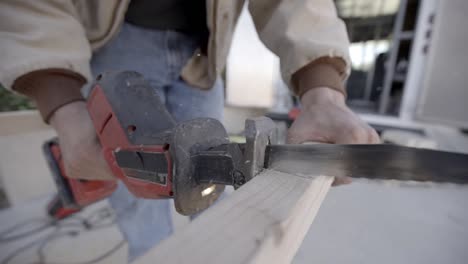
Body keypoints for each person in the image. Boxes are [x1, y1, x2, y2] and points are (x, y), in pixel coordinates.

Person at [0, 0, 379, 261]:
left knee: (198, 180)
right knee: (141, 200)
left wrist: (321, 89)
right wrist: (62, 100)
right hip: (118, 43)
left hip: (202, 54)